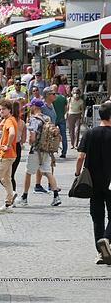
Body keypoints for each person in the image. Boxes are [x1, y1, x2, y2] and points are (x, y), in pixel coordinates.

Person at [75, 102, 111, 265]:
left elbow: (80, 156)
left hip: (93, 182)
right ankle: (107, 239)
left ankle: (101, 252)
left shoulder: (90, 133)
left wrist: (77, 173)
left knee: (97, 217)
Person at [15, 98, 61, 207]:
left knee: (28, 172)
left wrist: (30, 142)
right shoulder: (47, 118)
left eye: (31, 106)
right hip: (46, 150)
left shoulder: (34, 119)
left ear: (35, 106)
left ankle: (24, 197)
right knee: (48, 172)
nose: (29, 107)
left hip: (36, 150)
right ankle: (56, 196)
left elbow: (33, 137)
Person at [0, 99, 18, 211]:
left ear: (9, 109)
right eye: (0, 110)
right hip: (10, 155)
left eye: (3, 109)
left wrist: (7, 145)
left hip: (5, 154)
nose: (1, 111)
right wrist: (1, 117)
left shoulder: (9, 121)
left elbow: (12, 133)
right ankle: (9, 202)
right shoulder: (8, 119)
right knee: (6, 179)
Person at [49, 85, 68, 158]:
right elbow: (66, 108)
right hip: (61, 119)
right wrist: (62, 114)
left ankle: (51, 151)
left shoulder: (52, 98)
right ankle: (64, 152)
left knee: (51, 136)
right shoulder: (63, 98)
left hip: (54, 119)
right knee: (64, 136)